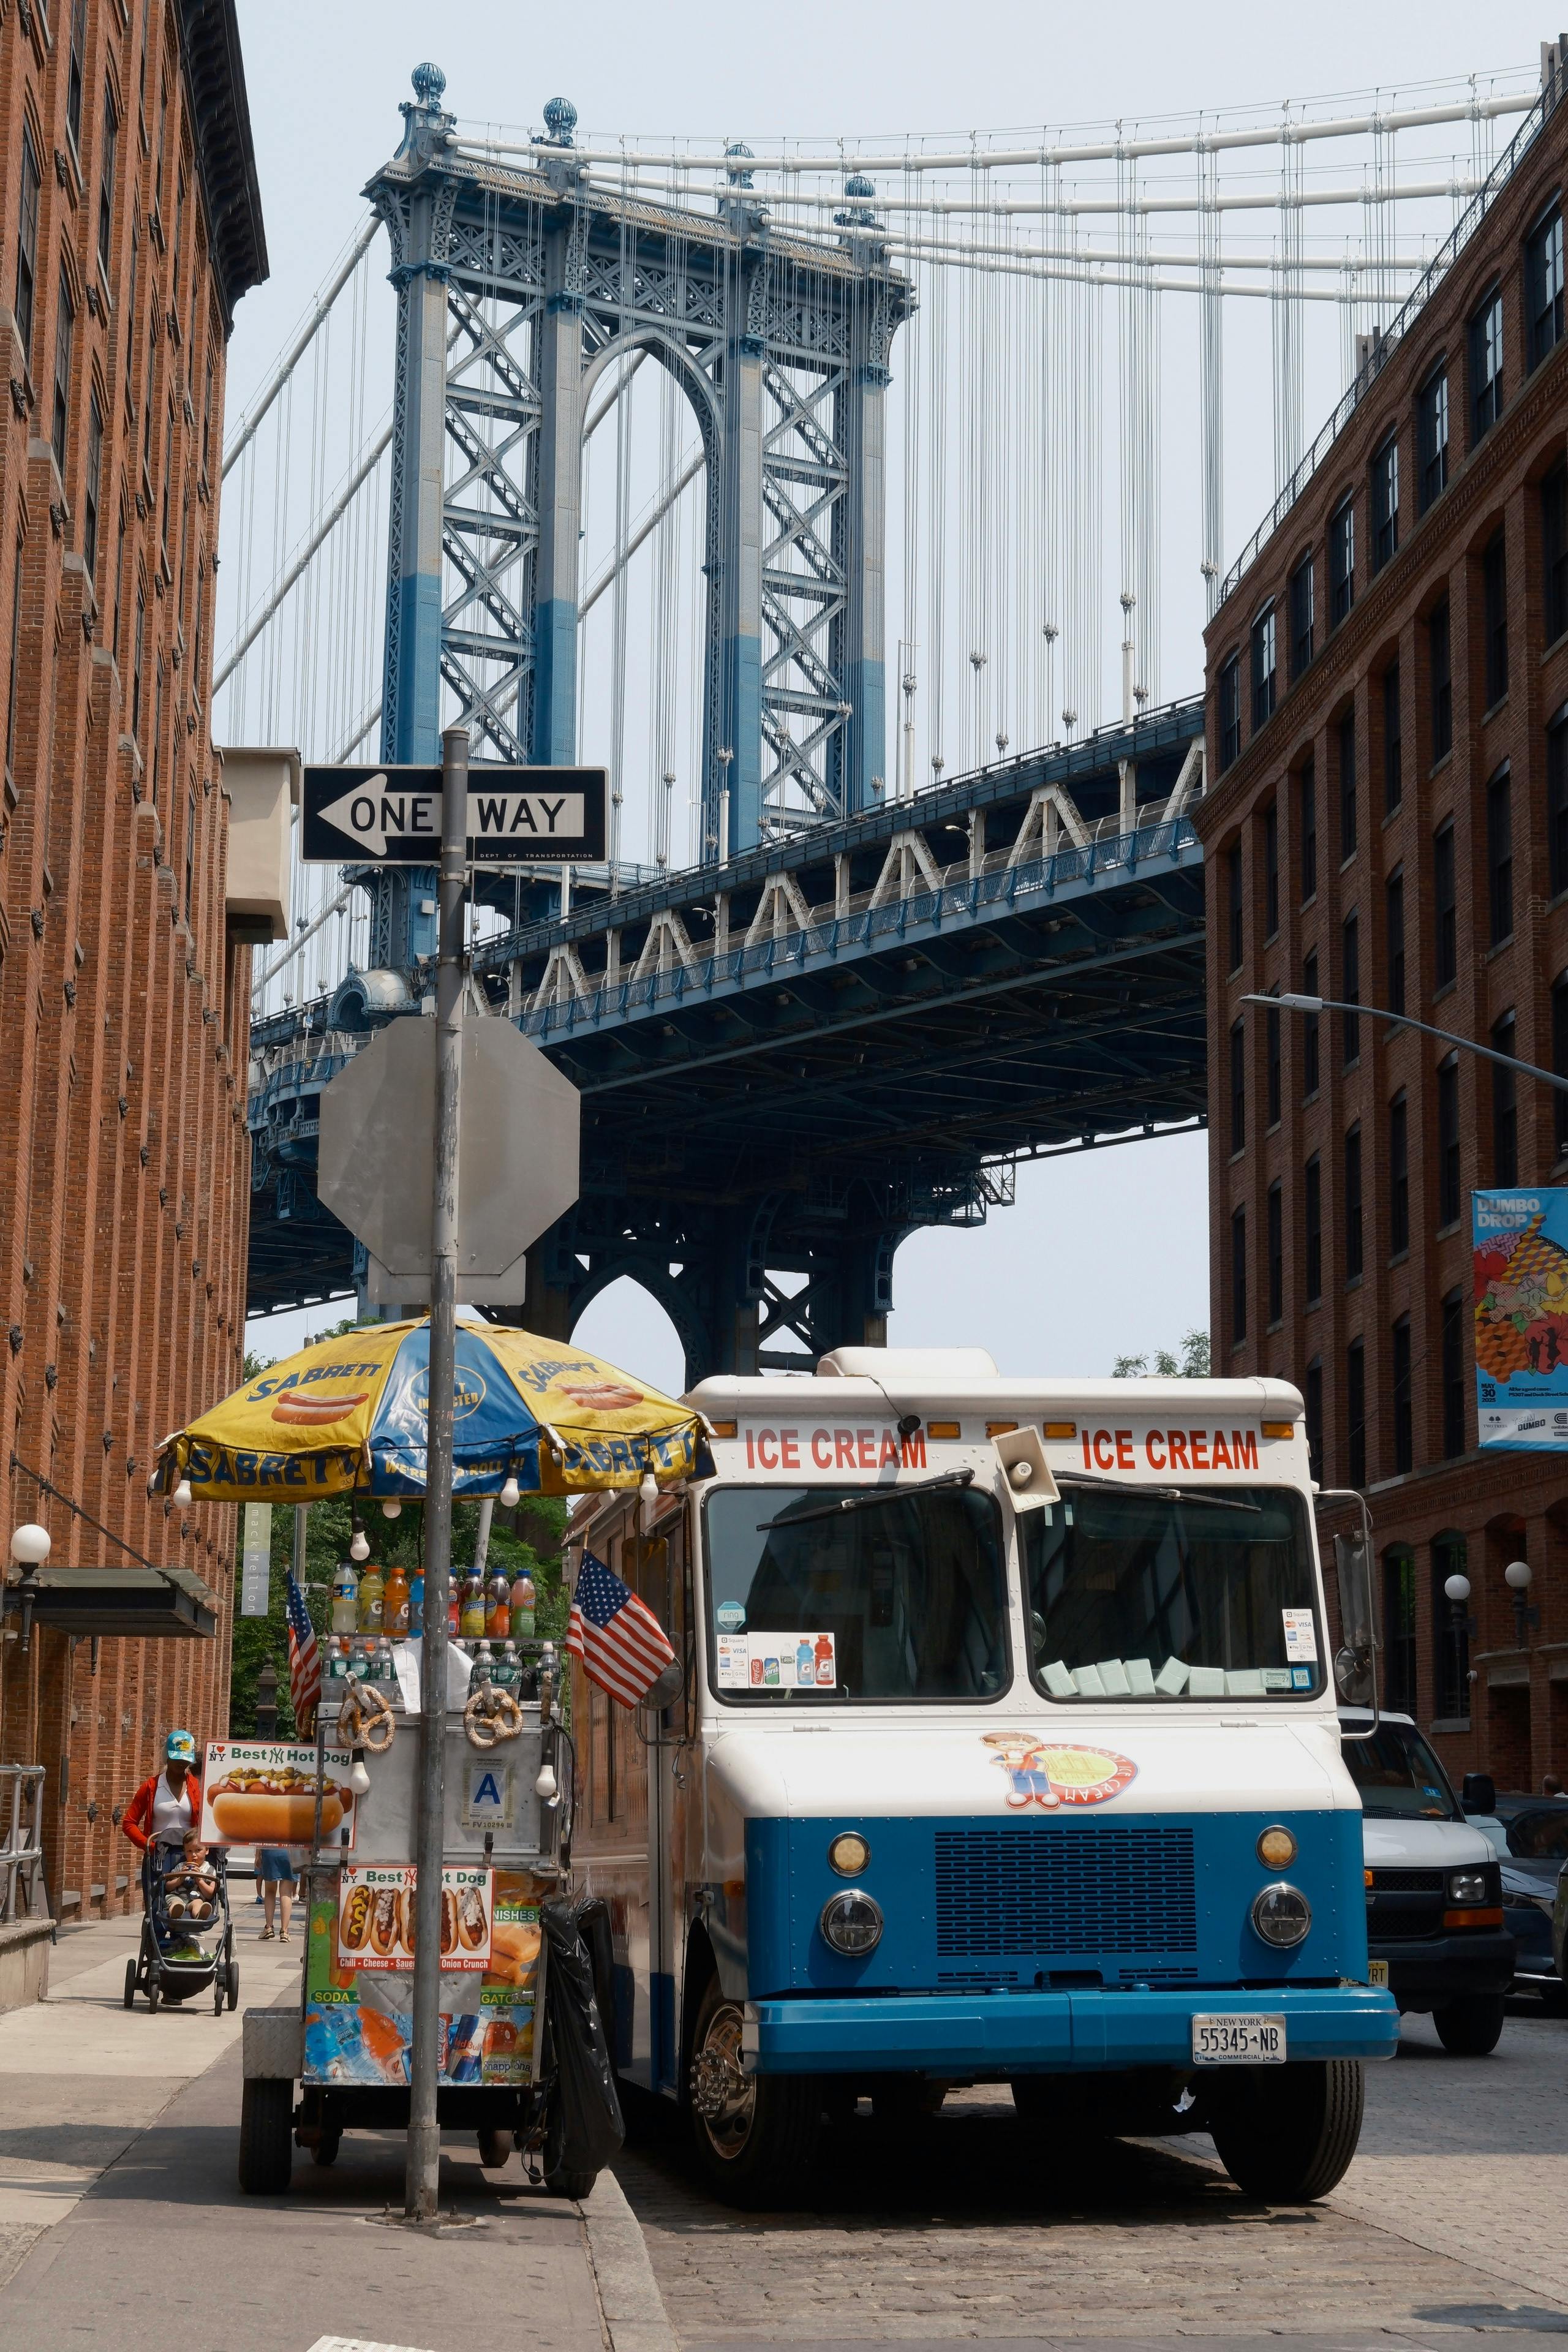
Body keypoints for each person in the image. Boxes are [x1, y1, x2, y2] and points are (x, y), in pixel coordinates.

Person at [122, 1730, 202, 1856]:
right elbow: (129, 1823)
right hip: (159, 1855)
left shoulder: (197, 1786)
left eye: (185, 1759)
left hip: (190, 1856)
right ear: (167, 1756)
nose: (181, 1762)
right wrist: (149, 1845)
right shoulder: (151, 1786)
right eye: (176, 1758)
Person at [256, 1846, 296, 1942]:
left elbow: (260, 1835)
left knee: (270, 1891)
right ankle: (285, 1931)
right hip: (290, 1853)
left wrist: (258, 1856)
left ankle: (269, 1927)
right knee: (286, 1893)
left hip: (270, 1851)